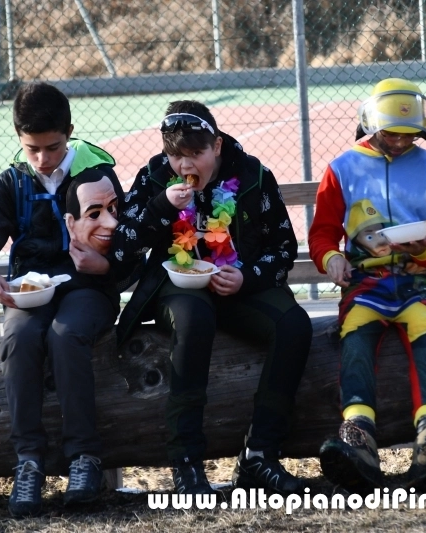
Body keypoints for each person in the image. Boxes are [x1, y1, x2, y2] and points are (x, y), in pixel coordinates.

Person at [111, 100, 312, 496]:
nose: (184, 165)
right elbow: (122, 247)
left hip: (237, 284)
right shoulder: (154, 176)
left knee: (294, 325)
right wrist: (160, 207)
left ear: (216, 146)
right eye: (175, 155)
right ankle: (186, 460)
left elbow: (284, 248)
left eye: (195, 153)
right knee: (194, 319)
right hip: (177, 285)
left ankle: (260, 455)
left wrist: (248, 277)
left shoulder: (253, 176)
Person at [0, 82, 125, 517]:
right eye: (32, 149)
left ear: (69, 132)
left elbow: (131, 249)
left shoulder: (98, 178)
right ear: (19, 138)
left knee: (66, 336)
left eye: (52, 148)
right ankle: (28, 461)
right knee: (20, 339)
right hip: (31, 291)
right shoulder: (11, 183)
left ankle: (84, 457)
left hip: (89, 289)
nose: (42, 159)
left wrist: (104, 266)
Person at [308, 78, 426, 493]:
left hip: (419, 279)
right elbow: (322, 233)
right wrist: (331, 259)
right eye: (391, 134)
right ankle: (358, 435)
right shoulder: (341, 169)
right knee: (355, 333)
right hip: (365, 280)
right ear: (371, 125)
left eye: (409, 135)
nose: (401, 142)